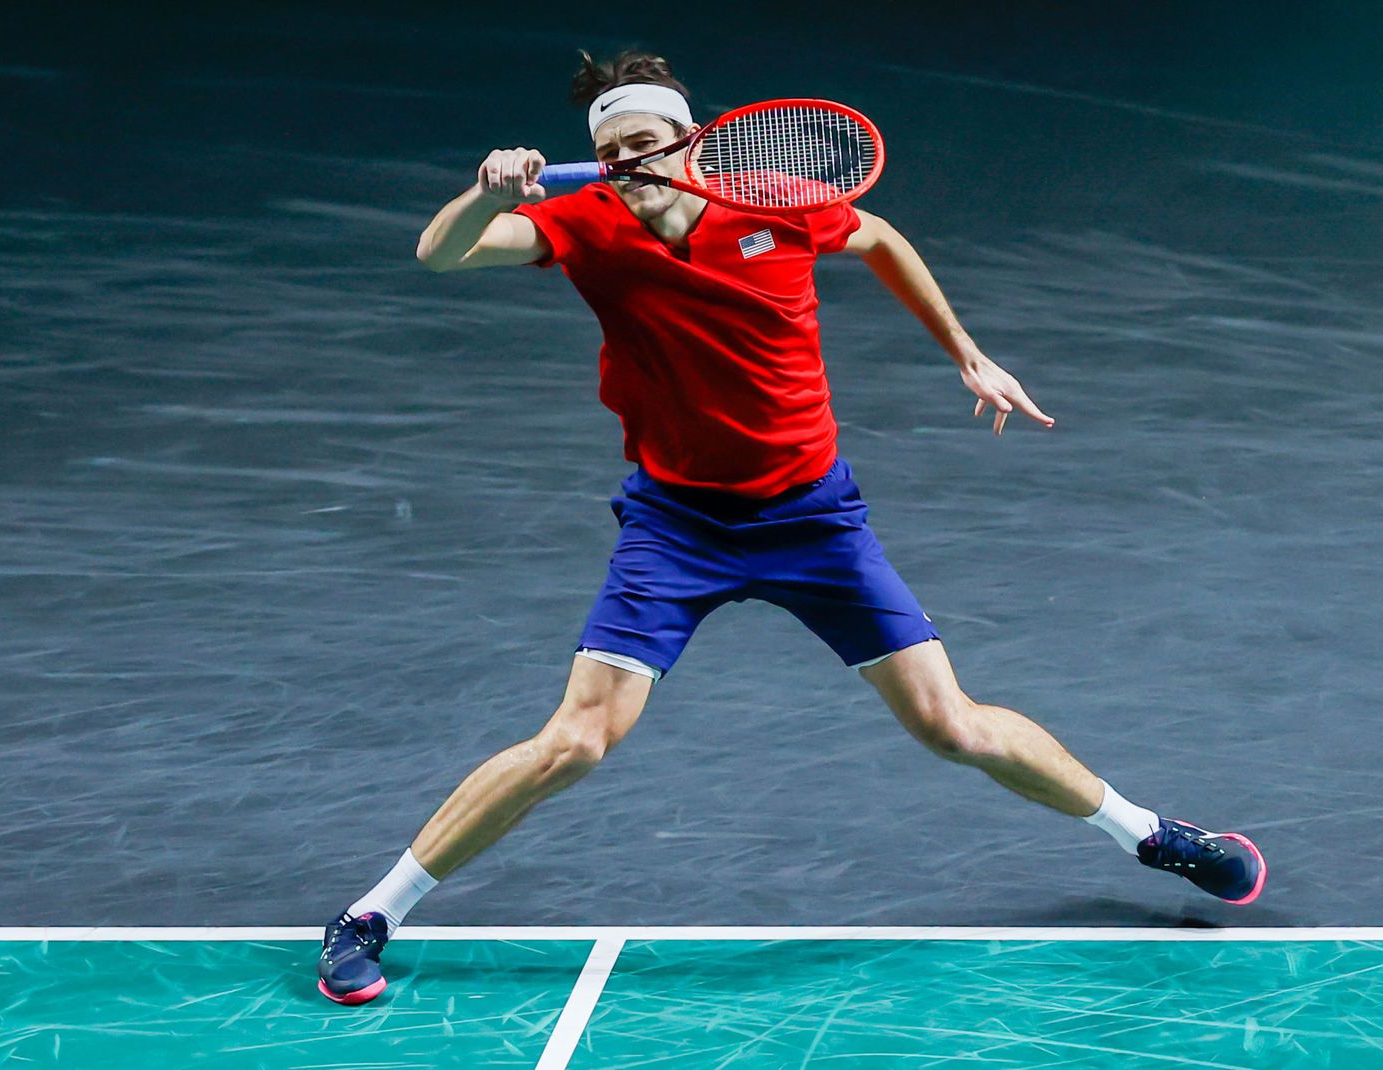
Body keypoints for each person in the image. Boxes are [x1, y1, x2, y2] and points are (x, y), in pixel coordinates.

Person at [317, 49, 1265, 1006]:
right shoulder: (583, 222)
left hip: (813, 517)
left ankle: (1152, 836)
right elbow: (441, 252)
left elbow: (881, 238)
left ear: (692, 142)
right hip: (677, 522)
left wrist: (968, 357)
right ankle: (369, 916)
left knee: (952, 724)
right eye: (609, 151)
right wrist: (488, 194)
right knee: (577, 740)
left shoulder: (774, 199)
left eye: (643, 145)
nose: (626, 166)